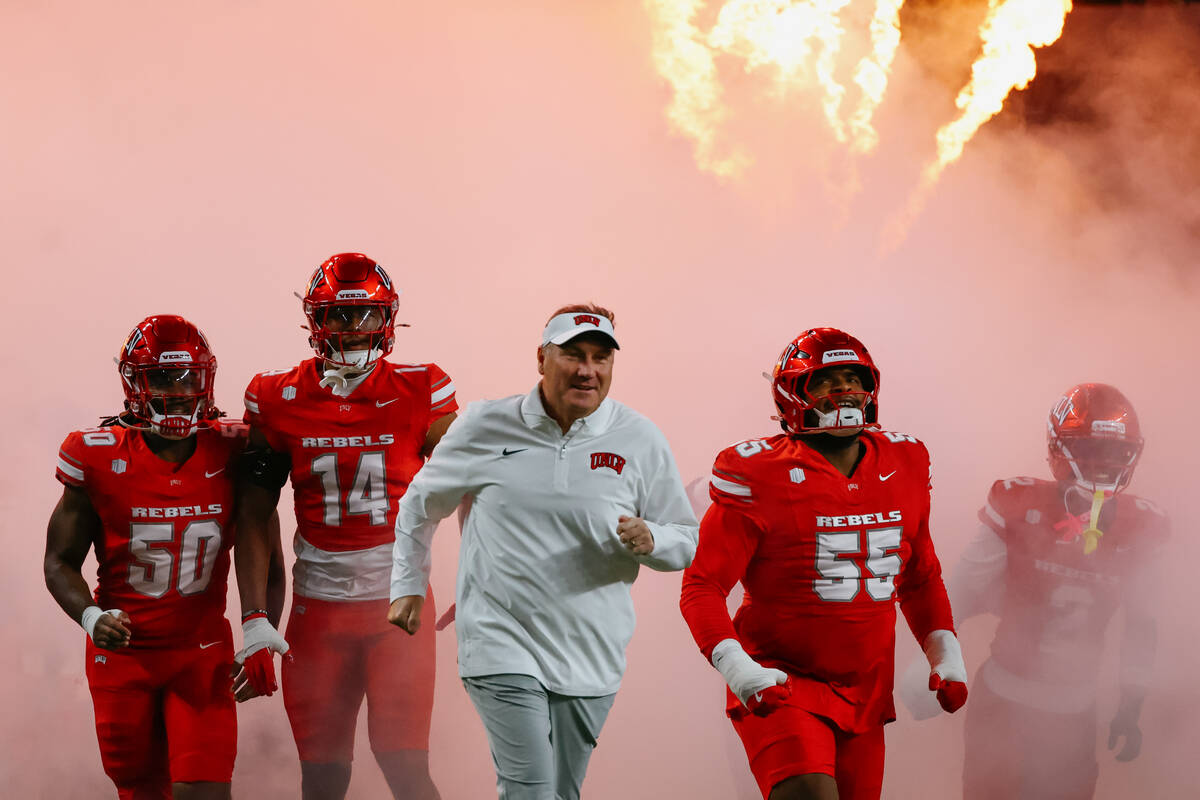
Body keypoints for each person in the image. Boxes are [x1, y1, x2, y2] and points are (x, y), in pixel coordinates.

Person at [389, 303, 698, 800]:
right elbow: (419, 507)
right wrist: (406, 586)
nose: (586, 370)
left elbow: (684, 537)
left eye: (601, 358)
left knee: (560, 792)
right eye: (572, 355)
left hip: (592, 651)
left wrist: (654, 540)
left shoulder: (640, 438)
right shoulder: (484, 425)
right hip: (499, 639)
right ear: (541, 358)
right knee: (530, 792)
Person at [680, 327, 968, 800]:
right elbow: (702, 586)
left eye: (854, 378)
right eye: (826, 381)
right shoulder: (758, 472)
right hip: (779, 676)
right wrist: (739, 669)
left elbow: (919, 576)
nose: (844, 392)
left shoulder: (905, 460)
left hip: (866, 687)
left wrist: (945, 654)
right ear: (793, 394)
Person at [234, 253, 454, 800]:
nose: (353, 330)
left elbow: (478, 485)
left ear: (389, 318)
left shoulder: (422, 387)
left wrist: (484, 574)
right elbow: (254, 513)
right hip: (318, 608)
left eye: (366, 316)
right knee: (323, 779)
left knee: (405, 766)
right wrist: (256, 619)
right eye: (338, 315)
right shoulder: (276, 396)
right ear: (315, 320)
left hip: (396, 608)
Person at [44, 314, 282, 800]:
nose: (177, 391)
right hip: (123, 659)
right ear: (135, 382)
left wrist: (261, 629)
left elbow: (268, 553)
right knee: (141, 792)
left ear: (206, 378)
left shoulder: (235, 448)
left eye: (188, 377)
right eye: (162, 378)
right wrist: (91, 616)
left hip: (201, 655)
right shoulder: (94, 454)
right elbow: (58, 561)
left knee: (205, 793)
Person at [902, 383, 1168, 799]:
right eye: (1093, 450)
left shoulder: (1141, 527)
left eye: (1116, 452)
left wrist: (1131, 705)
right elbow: (961, 594)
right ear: (1059, 449)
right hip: (1006, 700)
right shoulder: (1018, 504)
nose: (1104, 464)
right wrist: (934, 661)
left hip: (1074, 712)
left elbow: (1142, 623)